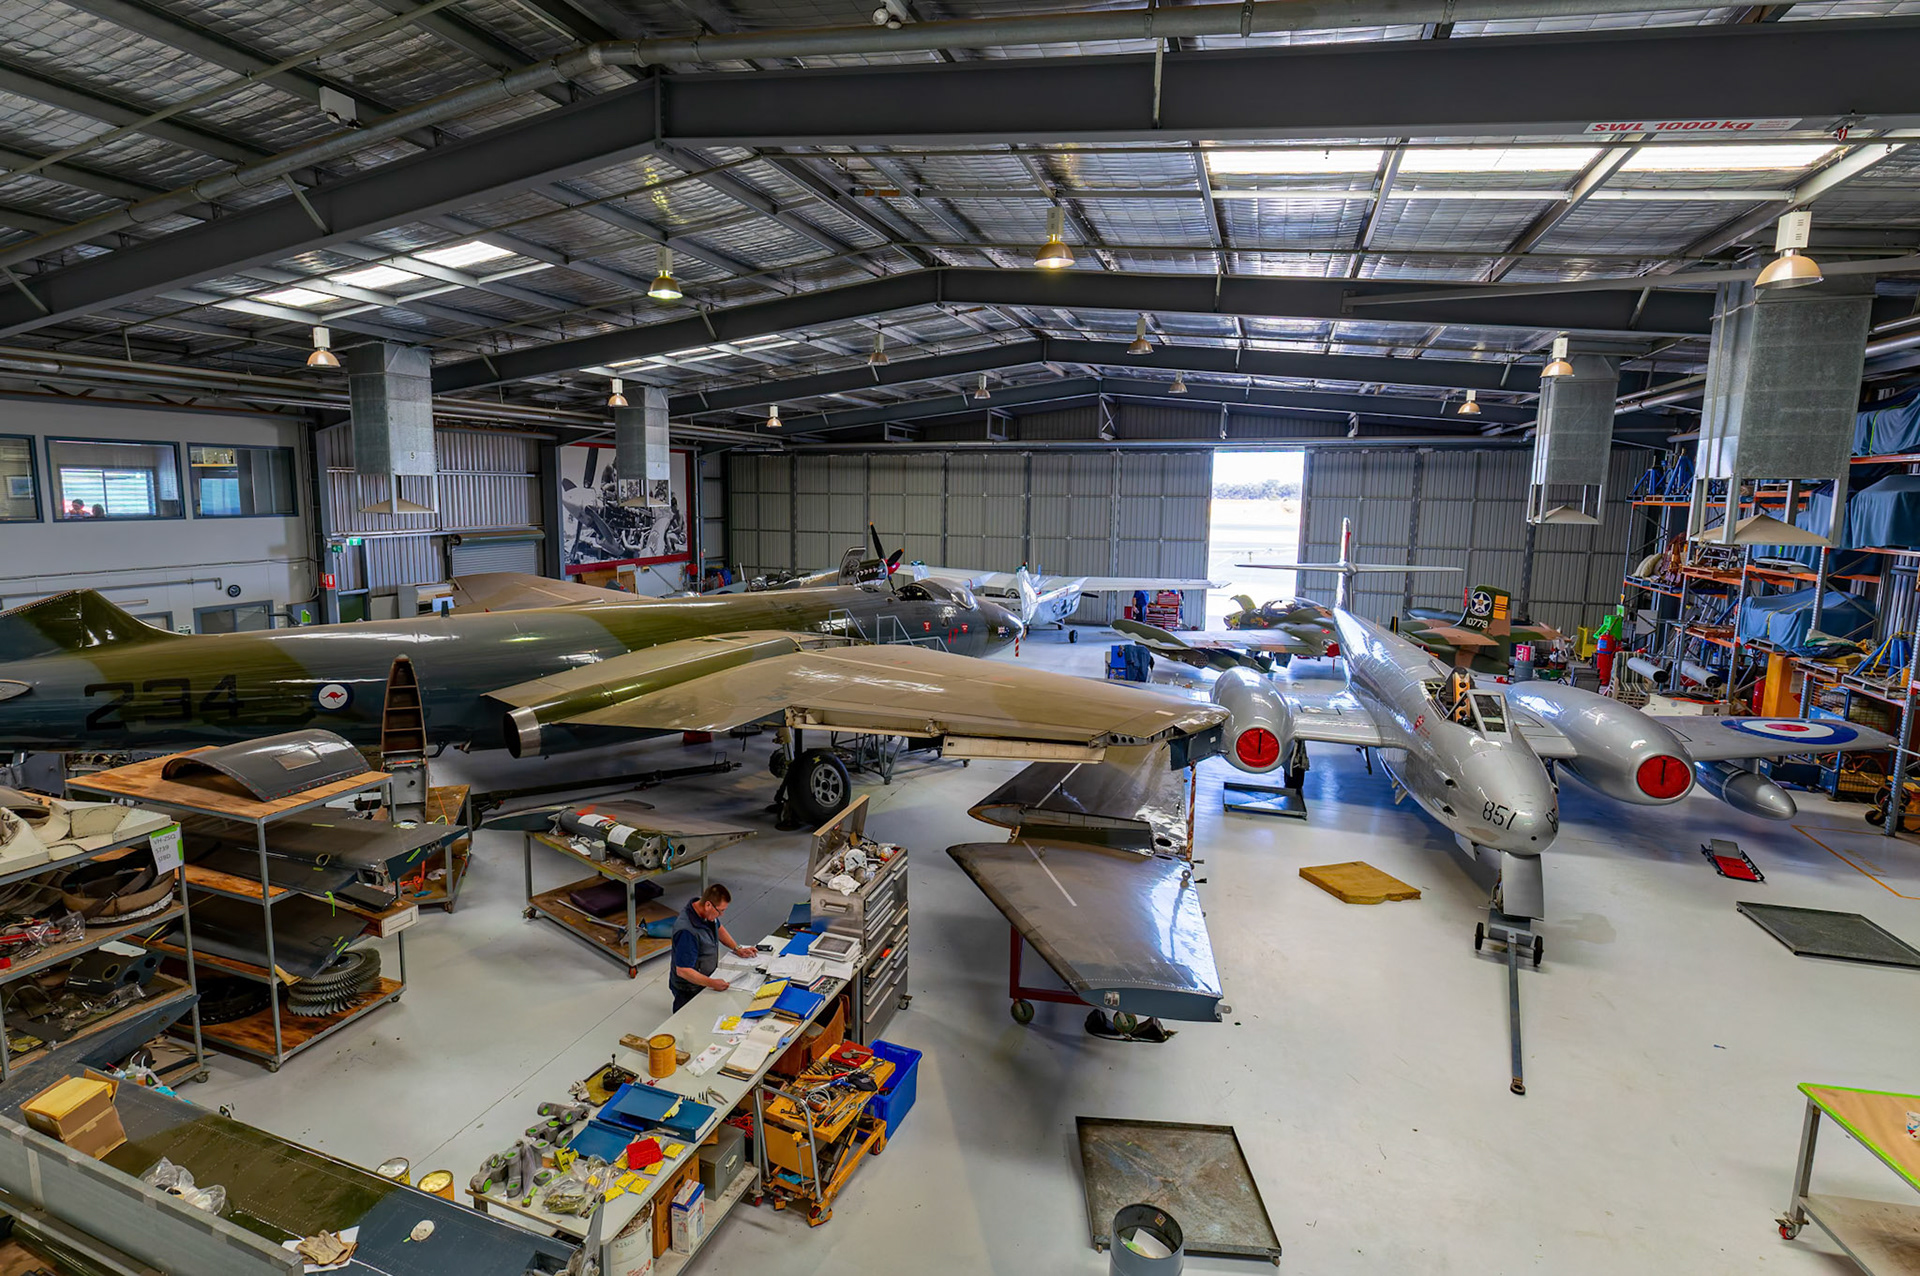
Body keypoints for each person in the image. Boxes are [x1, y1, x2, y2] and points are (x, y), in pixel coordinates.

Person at [668, 884, 756, 1011]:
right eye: (721, 911)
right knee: (686, 1021)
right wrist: (712, 983)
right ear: (708, 905)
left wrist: (737, 948)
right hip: (689, 988)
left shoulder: (704, 910)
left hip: (704, 980)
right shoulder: (687, 932)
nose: (722, 914)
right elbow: (683, 970)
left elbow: (718, 928)